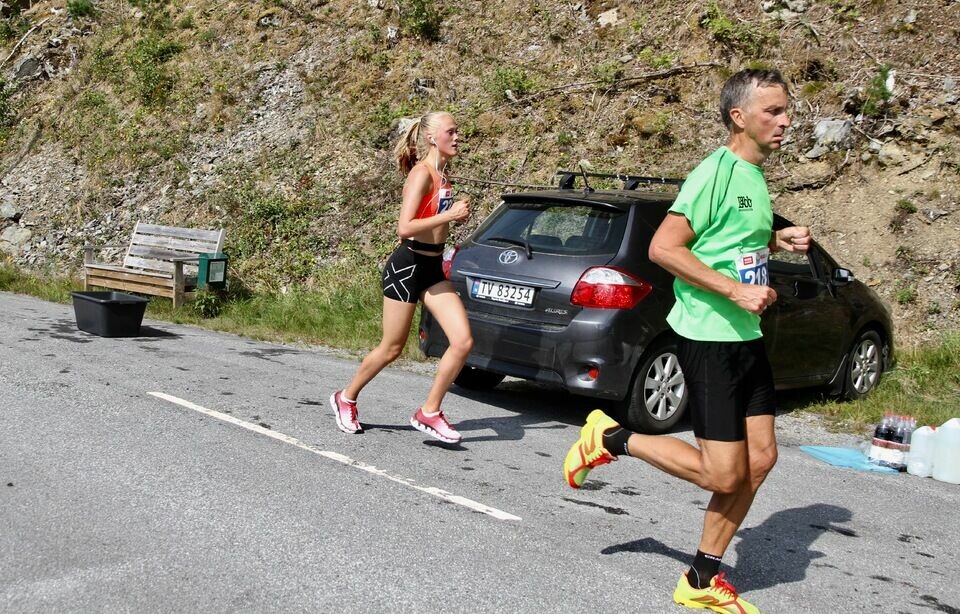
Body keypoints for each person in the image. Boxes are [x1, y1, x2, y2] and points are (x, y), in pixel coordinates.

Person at [562, 69, 811, 613]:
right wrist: (734, 291)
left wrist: (776, 236)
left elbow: (730, 234)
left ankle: (700, 579)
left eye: (787, 109)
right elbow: (665, 247)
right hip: (709, 338)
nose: (786, 120)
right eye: (773, 111)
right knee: (723, 472)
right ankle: (611, 439)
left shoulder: (753, 175)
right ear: (738, 117)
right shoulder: (714, 173)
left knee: (761, 460)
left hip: (744, 338)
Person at [330, 111, 473, 444]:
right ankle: (346, 397)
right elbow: (404, 228)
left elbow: (433, 222)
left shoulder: (444, 176)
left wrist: (452, 220)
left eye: (458, 131)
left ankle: (429, 411)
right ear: (431, 138)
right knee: (392, 348)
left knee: (463, 341)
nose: (457, 136)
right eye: (451, 132)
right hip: (407, 266)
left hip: (433, 268)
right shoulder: (422, 175)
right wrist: (450, 214)